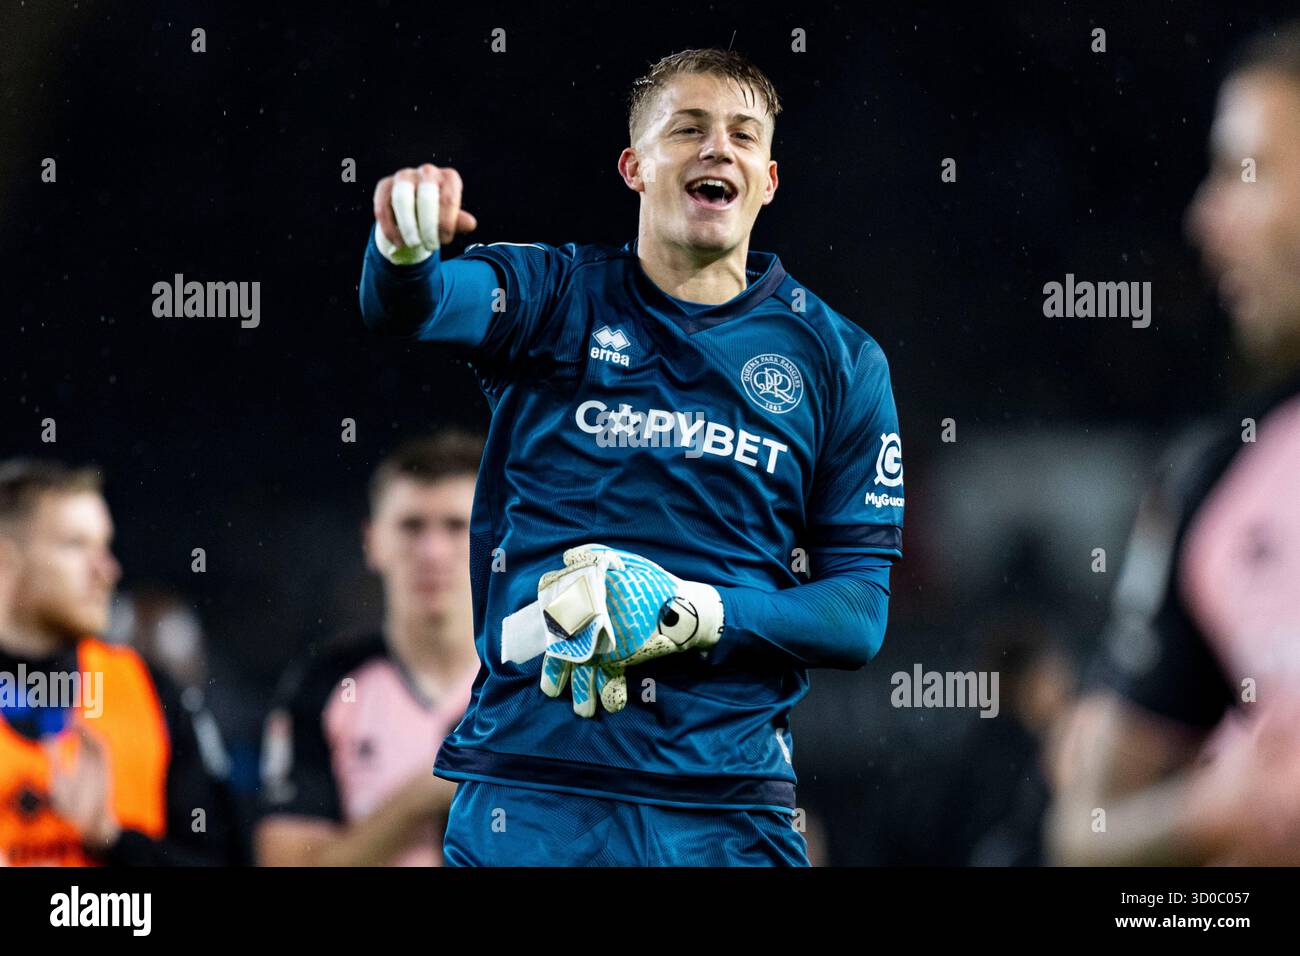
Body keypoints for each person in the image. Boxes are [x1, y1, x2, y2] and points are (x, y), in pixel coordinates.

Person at [359, 48, 903, 866]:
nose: (717, 149)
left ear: (768, 180)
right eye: (687, 129)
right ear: (634, 167)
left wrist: (697, 611)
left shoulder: (840, 361)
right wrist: (402, 248)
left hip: (729, 805)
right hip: (537, 790)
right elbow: (417, 307)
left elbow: (860, 612)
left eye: (743, 137)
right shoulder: (553, 297)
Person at [1048, 22, 1300, 865]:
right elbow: (1083, 835)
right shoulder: (1221, 481)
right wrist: (1220, 810)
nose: (1205, 218)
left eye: (1244, 171)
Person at [255, 432, 481, 866]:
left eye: (456, 526)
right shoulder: (323, 683)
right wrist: (429, 793)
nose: (432, 551)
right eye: (411, 527)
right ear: (372, 541)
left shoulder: (539, 682)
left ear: (494, 539)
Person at [0, 459, 234, 865]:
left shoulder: (150, 692)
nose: (107, 569)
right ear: (6, 562)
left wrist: (112, 840)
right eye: (75, 545)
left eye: (104, 546)